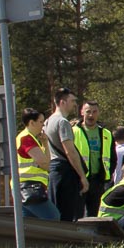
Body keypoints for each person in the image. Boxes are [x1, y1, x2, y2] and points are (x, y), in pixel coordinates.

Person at [44, 90, 85, 223]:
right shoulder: (63, 122)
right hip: (65, 172)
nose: (75, 104)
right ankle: (66, 242)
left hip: (53, 170)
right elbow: (70, 151)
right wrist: (82, 176)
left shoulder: (47, 121)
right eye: (72, 101)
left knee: (55, 210)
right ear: (62, 102)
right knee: (67, 212)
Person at [15, 109, 60, 221]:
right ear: (31, 122)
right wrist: (46, 161)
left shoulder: (31, 139)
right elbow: (45, 164)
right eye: (41, 122)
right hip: (28, 187)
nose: (43, 126)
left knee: (29, 223)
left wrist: (45, 143)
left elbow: (46, 163)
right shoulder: (27, 139)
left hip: (25, 187)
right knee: (53, 217)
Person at [72, 101, 113, 219]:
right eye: (88, 112)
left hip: (97, 180)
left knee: (94, 215)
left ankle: (91, 238)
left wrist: (105, 175)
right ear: (82, 112)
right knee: (77, 214)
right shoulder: (74, 131)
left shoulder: (106, 133)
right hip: (79, 179)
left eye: (94, 112)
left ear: (98, 113)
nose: (91, 115)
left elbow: (112, 157)